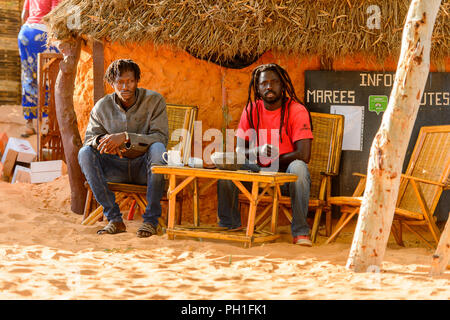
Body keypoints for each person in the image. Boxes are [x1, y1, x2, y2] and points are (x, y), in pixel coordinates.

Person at [217, 63, 314, 246]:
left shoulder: (296, 110)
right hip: (257, 173)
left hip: (284, 177)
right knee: (228, 165)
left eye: (274, 82)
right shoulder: (251, 109)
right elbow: (239, 151)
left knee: (300, 167)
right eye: (264, 83)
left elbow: (304, 154)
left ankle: (301, 233)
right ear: (257, 87)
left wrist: (273, 161)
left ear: (282, 85)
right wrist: (257, 153)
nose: (269, 87)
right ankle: (230, 226)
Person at [78, 59, 168, 237]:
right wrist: (105, 141)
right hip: (115, 166)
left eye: (130, 81)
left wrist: (126, 137)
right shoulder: (101, 107)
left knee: (158, 148)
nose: (125, 86)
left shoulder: (155, 101)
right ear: (112, 83)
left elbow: (161, 137)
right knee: (85, 153)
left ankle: (150, 221)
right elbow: (89, 139)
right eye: (120, 82)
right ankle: (114, 219)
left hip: (144, 167)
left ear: (137, 81)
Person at [18, 0, 61, 137]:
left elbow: (24, 15)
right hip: (42, 34)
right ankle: (46, 122)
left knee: (28, 76)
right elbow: (55, 16)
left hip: (25, 33)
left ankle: (29, 124)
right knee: (48, 76)